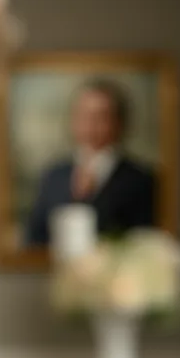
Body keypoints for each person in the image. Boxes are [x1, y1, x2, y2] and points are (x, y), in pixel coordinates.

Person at [26, 78, 157, 247]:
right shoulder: (54, 175)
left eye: (100, 117)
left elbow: (144, 243)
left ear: (119, 123)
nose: (90, 125)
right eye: (83, 115)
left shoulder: (140, 180)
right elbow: (34, 237)